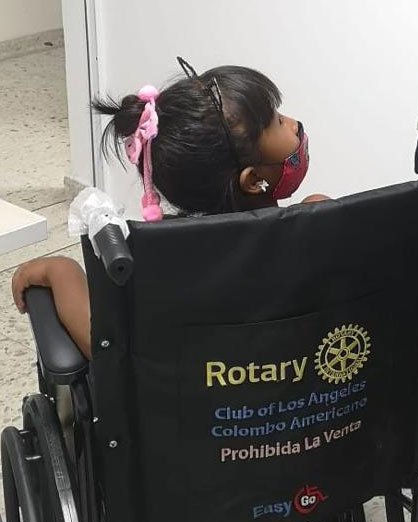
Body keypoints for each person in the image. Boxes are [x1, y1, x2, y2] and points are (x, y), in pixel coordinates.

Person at [11, 58, 324, 360]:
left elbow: (109, 351)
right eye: (278, 121)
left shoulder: (163, 264)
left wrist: (61, 272)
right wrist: (322, 215)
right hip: (302, 393)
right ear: (253, 180)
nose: (294, 124)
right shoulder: (317, 232)